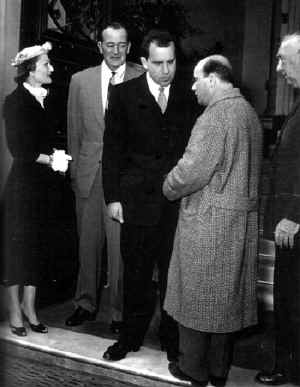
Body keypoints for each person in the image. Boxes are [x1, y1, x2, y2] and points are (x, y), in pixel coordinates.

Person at [163, 55, 262, 387]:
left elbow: (192, 170)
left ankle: (193, 369)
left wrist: (168, 186)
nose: (192, 87)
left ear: (212, 79)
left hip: (208, 222)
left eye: (195, 79)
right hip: (239, 223)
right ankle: (219, 371)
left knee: (194, 298)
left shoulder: (214, 116)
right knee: (225, 302)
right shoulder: (248, 113)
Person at [102, 29, 199, 362]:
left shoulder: (190, 94)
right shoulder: (124, 94)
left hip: (176, 203)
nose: (166, 70)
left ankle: (172, 342)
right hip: (136, 202)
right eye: (158, 63)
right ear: (143, 61)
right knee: (137, 275)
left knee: (173, 275)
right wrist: (112, 198)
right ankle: (129, 338)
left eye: (171, 62)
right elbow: (112, 151)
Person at [66, 22, 144, 328]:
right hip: (88, 175)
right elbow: (74, 132)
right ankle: (84, 304)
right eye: (109, 45)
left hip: (124, 180)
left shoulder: (142, 76)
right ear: (100, 46)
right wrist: (76, 174)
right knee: (87, 245)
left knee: (120, 250)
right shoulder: (79, 81)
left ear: (129, 47)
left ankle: (118, 312)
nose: (115, 51)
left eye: (121, 45)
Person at [2, 42, 71, 337]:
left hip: (46, 187)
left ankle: (30, 307)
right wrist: (52, 159)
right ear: (31, 71)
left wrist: (58, 155)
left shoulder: (49, 98)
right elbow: (20, 148)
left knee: (39, 247)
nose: (51, 68)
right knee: (17, 249)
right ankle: (14, 309)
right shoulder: (14, 101)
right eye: (46, 64)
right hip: (24, 187)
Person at [255, 33, 300, 387]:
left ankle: (289, 370)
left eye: (284, 59)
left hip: (295, 223)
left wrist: (294, 216)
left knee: (292, 300)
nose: (278, 68)